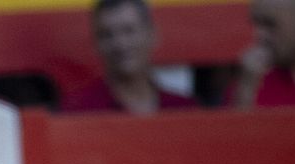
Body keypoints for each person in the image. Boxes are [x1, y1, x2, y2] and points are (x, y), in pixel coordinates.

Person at [60, 0, 199, 114]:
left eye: (129, 31)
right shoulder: (78, 111)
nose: (120, 44)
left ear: (152, 34)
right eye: (107, 35)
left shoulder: (184, 109)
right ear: (95, 44)